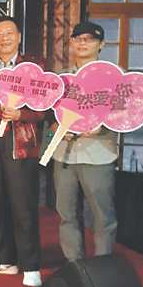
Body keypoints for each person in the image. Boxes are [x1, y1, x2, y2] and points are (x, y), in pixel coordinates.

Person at [0, 17, 45, 287]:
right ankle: (3, 258)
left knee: (22, 204)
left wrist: (21, 114)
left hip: (21, 142)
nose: (4, 38)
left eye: (9, 33)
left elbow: (46, 108)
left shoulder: (34, 68)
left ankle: (31, 265)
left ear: (18, 37)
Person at [53, 21, 118, 262]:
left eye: (89, 39)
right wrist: (56, 130)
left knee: (102, 216)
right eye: (78, 38)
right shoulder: (60, 79)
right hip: (64, 154)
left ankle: (103, 265)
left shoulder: (114, 78)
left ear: (101, 44)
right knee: (66, 215)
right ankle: (75, 266)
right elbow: (49, 117)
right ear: (71, 42)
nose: (83, 43)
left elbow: (126, 115)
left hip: (98, 154)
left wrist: (103, 126)